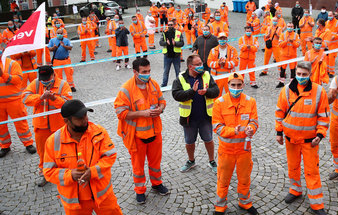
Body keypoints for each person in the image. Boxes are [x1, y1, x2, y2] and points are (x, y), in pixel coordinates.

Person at [43, 99, 123, 214]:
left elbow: (110, 156)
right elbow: (48, 172)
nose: (85, 120)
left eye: (85, 115)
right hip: (76, 204)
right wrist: (70, 175)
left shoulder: (98, 132)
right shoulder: (53, 142)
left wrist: (93, 171)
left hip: (103, 197)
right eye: (80, 118)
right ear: (66, 121)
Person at [275, 61, 329, 215]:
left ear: (310, 75)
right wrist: (279, 133)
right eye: (298, 74)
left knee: (312, 172)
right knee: (293, 167)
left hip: (309, 142)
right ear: (295, 74)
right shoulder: (286, 90)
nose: (301, 77)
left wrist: (320, 135)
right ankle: (295, 190)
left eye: (304, 75)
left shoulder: (319, 92)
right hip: (290, 139)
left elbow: (324, 117)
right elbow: (279, 113)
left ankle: (317, 204)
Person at [114, 58, 169, 204]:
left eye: (149, 71)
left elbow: (162, 101)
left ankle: (157, 184)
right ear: (135, 72)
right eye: (144, 72)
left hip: (155, 133)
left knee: (155, 163)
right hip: (136, 136)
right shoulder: (126, 89)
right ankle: (140, 190)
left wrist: (160, 109)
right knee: (137, 166)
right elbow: (120, 112)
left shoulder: (154, 84)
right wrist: (142, 114)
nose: (148, 74)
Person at [212, 73, 259, 215]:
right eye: (233, 85)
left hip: (244, 150)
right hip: (226, 151)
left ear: (243, 85)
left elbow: (254, 120)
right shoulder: (219, 103)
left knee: (244, 178)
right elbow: (217, 127)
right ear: (228, 86)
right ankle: (220, 206)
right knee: (223, 179)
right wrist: (233, 131)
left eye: (239, 85)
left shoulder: (251, 101)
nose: (236, 88)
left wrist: (252, 128)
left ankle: (245, 203)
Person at [22, 65, 72, 187]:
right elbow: (25, 98)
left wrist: (54, 98)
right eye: (42, 79)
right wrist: (40, 97)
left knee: (62, 151)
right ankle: (45, 174)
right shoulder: (36, 83)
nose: (44, 81)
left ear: (53, 74)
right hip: (41, 126)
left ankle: (64, 173)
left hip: (58, 126)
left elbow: (68, 103)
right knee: (43, 152)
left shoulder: (62, 84)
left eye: (46, 78)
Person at [172, 54, 220, 173]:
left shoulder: (206, 75)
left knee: (208, 140)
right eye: (198, 64)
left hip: (205, 117)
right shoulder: (181, 78)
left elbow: (216, 91)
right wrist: (191, 92)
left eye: (201, 63)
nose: (201, 66)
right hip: (189, 118)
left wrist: (207, 92)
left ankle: (212, 161)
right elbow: (176, 95)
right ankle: (191, 160)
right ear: (190, 66)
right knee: (189, 142)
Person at [0, 48, 36, 158]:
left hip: (14, 100)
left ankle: (28, 143)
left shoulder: (12, 64)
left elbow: (19, 79)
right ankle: (5, 145)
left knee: (21, 123)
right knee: (1, 126)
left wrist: (3, 75)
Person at [160, 20, 184, 87]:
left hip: (176, 56)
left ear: (174, 25)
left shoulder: (179, 33)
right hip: (167, 56)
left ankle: (179, 85)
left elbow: (182, 43)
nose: (170, 26)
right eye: (169, 25)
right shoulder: (164, 33)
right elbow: (160, 42)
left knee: (178, 72)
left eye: (171, 25)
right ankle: (164, 85)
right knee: (166, 71)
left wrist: (175, 43)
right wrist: (166, 43)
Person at [277, 22, 300, 88]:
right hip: (284, 55)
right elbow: (280, 45)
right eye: (289, 26)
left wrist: (292, 42)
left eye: (291, 26)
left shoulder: (296, 35)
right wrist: (286, 41)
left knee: (293, 70)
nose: (290, 28)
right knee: (282, 70)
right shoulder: (283, 35)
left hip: (292, 56)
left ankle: (292, 83)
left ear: (293, 27)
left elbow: (297, 45)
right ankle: (281, 82)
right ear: (287, 27)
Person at [325, 12, 338, 77]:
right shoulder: (327, 22)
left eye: (330, 15)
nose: (329, 16)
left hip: (334, 44)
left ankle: (331, 72)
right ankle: (327, 71)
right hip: (327, 43)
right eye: (328, 15)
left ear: (333, 15)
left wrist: (335, 36)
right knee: (326, 58)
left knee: (331, 58)